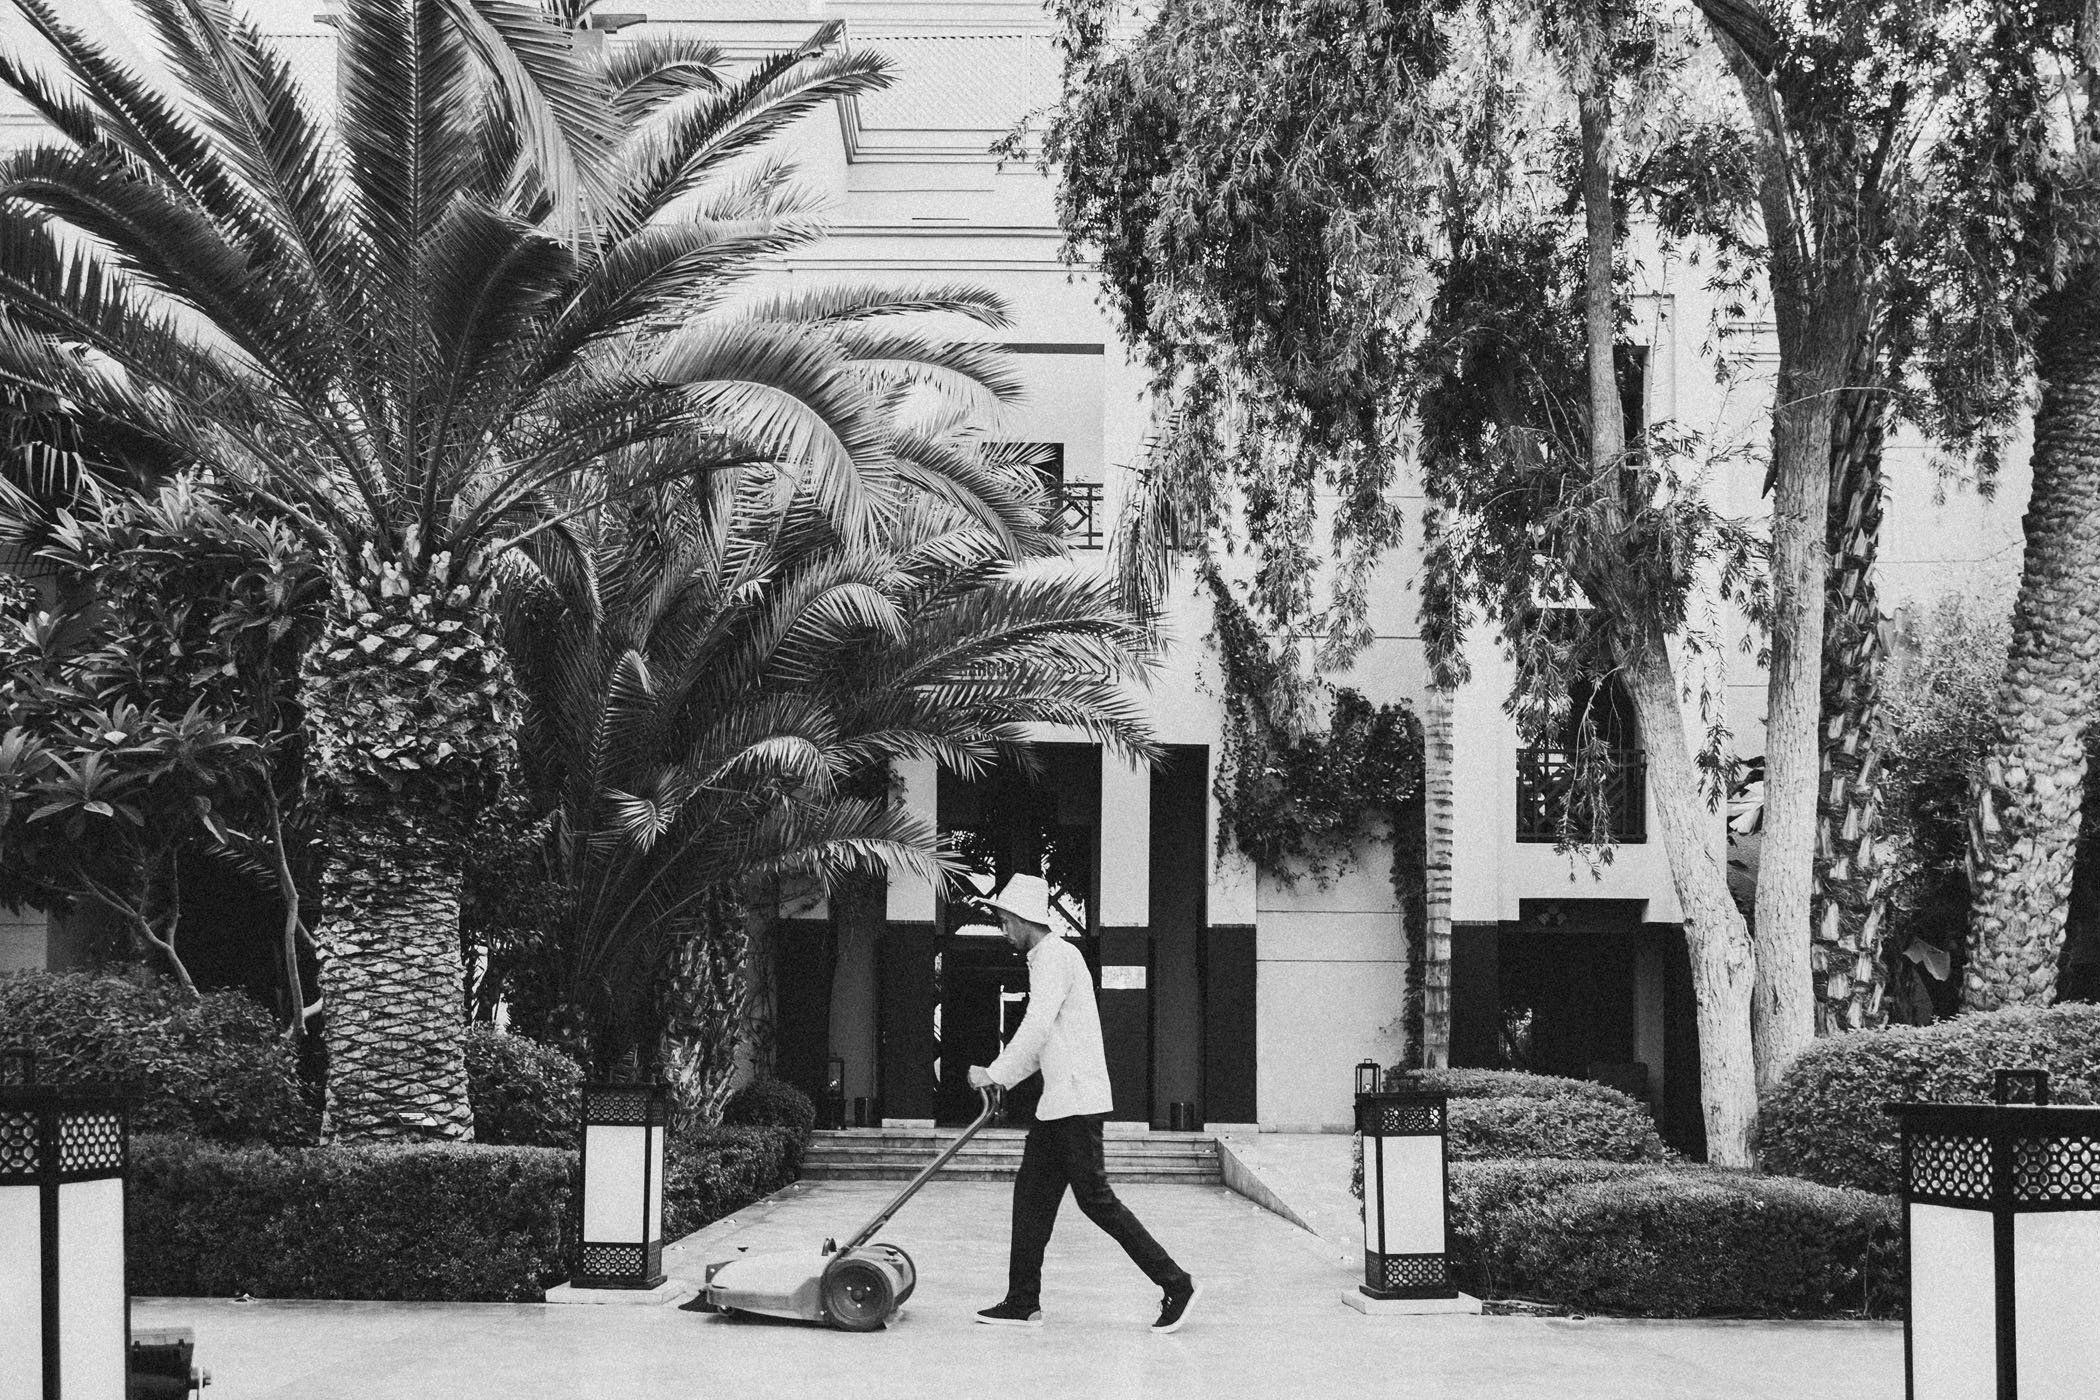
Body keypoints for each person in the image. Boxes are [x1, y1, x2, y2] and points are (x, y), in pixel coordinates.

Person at [966, 873, 1201, 1333]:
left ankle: (1177, 1283)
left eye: (1003, 919)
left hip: (1075, 1103)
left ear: (1021, 917)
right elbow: (1043, 1044)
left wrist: (992, 1073)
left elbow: (1034, 1027)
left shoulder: (1056, 956)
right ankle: (1022, 1301)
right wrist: (1005, 1082)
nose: (1001, 928)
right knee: (1031, 1198)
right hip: (1056, 1106)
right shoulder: (1046, 958)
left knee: (1095, 1200)